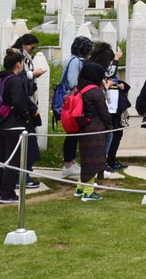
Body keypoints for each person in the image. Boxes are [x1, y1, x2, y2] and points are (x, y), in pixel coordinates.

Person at [0, 50, 33, 204]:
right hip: (13, 123)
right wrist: (26, 117)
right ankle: (8, 194)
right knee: (12, 160)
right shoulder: (15, 80)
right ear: (18, 64)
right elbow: (17, 101)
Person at [86, 41, 130, 172]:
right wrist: (116, 60)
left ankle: (110, 160)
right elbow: (108, 75)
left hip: (113, 103)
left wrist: (118, 84)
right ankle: (102, 162)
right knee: (107, 135)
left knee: (116, 133)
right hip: (102, 105)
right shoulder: (94, 67)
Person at [10, 33, 45, 189]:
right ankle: (22, 177)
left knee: (27, 144)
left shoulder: (23, 57)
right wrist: (32, 74)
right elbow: (21, 83)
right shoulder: (18, 58)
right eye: (32, 48)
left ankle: (22, 176)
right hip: (23, 109)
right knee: (27, 144)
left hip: (25, 106)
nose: (32, 51)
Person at [73, 61, 111, 201]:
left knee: (86, 160)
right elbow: (104, 112)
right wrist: (110, 126)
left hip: (84, 127)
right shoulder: (95, 91)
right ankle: (88, 192)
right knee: (93, 161)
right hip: (96, 129)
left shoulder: (80, 89)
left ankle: (80, 188)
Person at [55, 35, 93, 178]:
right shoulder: (75, 61)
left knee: (75, 133)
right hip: (73, 100)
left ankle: (72, 162)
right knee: (72, 133)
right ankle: (68, 165)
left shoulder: (76, 60)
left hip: (74, 99)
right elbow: (73, 82)